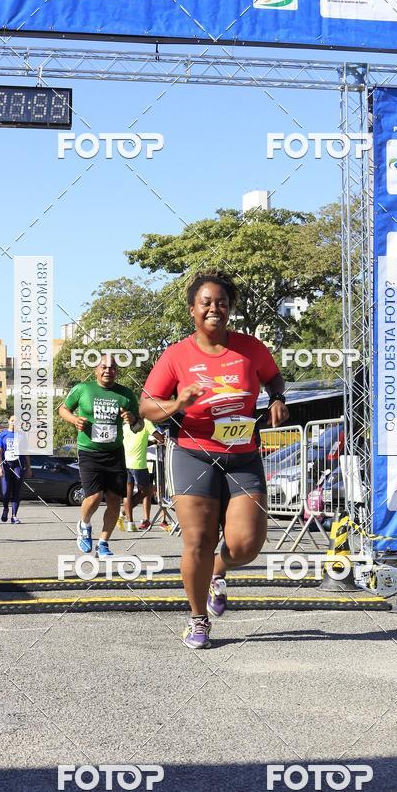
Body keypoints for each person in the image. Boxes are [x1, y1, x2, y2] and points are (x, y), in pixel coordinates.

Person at [140, 269, 289, 649]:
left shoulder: (250, 348)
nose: (214, 308)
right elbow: (147, 407)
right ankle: (197, 620)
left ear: (229, 309)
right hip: (194, 455)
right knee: (198, 540)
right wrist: (178, 403)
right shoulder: (176, 355)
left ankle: (217, 572)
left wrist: (277, 398)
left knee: (246, 545)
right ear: (192, 309)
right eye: (205, 302)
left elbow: (273, 377)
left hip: (243, 456)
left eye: (221, 303)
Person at [58, 355, 143, 558]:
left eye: (112, 368)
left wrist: (132, 419)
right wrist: (74, 420)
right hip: (89, 451)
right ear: (96, 370)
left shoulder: (126, 394)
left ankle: (103, 543)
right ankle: (84, 524)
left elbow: (139, 426)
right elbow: (62, 409)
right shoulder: (83, 389)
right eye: (104, 367)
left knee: (115, 500)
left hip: (115, 453)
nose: (108, 371)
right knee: (94, 497)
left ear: (117, 371)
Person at [122, 418, 165, 531]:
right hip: (138, 464)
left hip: (125, 462)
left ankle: (130, 523)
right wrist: (162, 438)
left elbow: (138, 441)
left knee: (128, 494)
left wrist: (152, 442)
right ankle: (124, 512)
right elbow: (160, 438)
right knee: (146, 491)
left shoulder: (126, 423)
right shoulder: (146, 422)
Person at [0, 415, 32, 524]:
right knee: (5, 491)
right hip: (6, 465)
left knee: (16, 491)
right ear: (8, 421)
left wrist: (29, 468)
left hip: (18, 465)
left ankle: (14, 516)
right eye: (12, 420)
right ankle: (5, 508)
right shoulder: (2, 435)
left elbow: (26, 453)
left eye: (16, 421)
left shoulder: (22, 436)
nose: (14, 423)